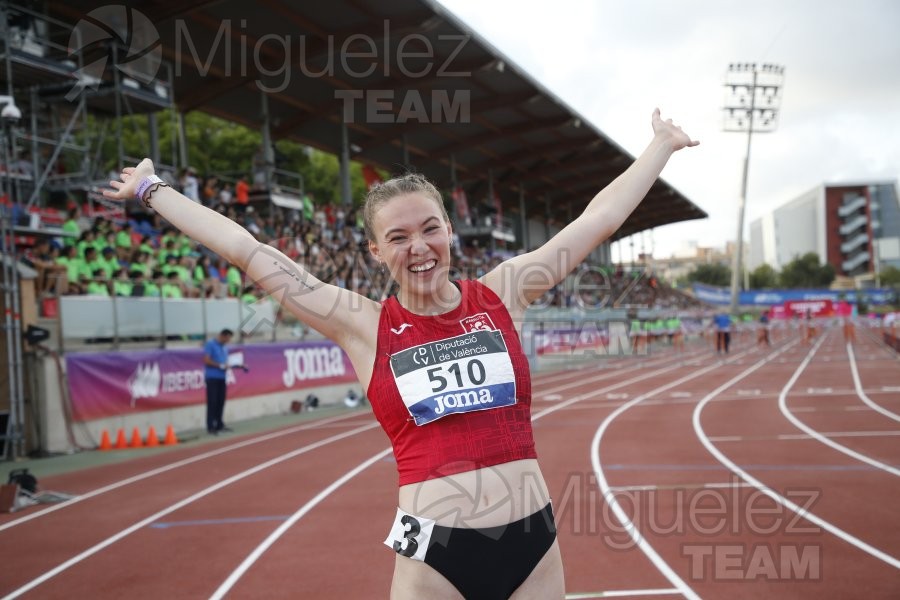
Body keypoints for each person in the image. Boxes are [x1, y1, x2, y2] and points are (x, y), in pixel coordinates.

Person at [104, 108, 697, 599]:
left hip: (532, 541)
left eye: (430, 227)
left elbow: (598, 220)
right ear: (375, 252)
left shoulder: (504, 292)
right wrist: (154, 190)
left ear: (449, 232)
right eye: (398, 237)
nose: (419, 246)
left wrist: (660, 146)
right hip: (435, 556)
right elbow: (247, 250)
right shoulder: (361, 323)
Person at [202, 328, 234, 435]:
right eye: (227, 338)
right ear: (223, 336)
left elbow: (225, 361)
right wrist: (220, 365)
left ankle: (219, 424)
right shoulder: (210, 344)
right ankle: (211, 426)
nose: (228, 341)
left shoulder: (225, 347)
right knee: (212, 402)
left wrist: (229, 365)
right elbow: (206, 360)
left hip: (222, 377)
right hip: (212, 377)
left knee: (221, 401)